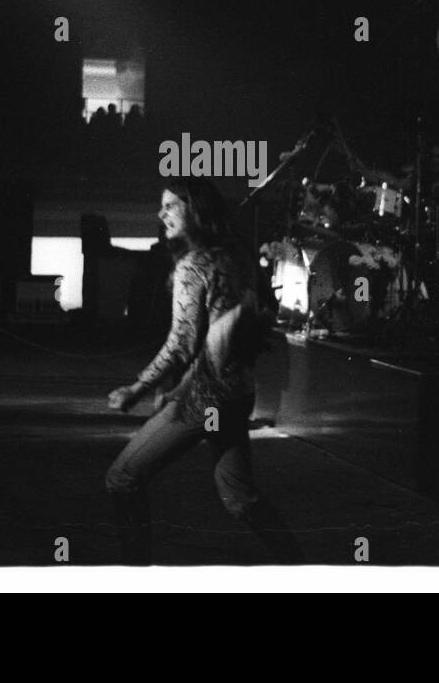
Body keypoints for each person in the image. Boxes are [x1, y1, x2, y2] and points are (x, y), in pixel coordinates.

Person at [105, 178, 304, 565]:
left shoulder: (193, 266)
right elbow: (222, 334)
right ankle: (301, 572)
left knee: (122, 478)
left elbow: (182, 343)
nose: (161, 214)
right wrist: (179, 386)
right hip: (237, 393)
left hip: (206, 399)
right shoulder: (239, 256)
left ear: (194, 210)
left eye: (170, 206)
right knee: (240, 496)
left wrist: (137, 387)